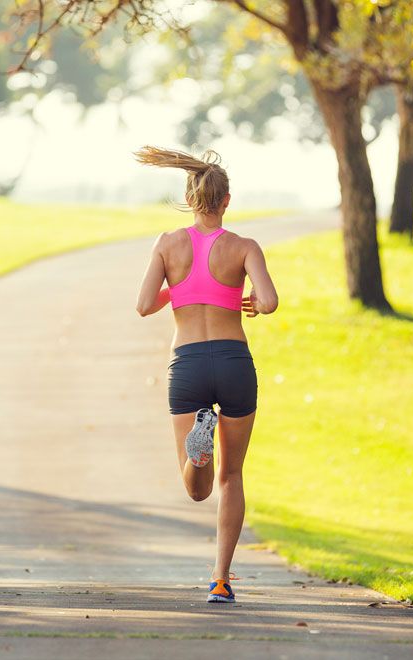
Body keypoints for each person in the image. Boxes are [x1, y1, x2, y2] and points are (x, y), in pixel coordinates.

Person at [133, 146, 278, 604]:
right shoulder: (244, 247)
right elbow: (269, 301)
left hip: (189, 364)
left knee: (197, 489)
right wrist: (249, 298)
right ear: (227, 200)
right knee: (232, 476)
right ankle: (221, 579)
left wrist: (178, 291)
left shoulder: (167, 243)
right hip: (234, 363)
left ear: (190, 197)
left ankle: (199, 453)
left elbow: (142, 305)